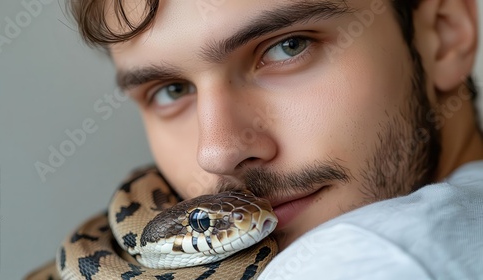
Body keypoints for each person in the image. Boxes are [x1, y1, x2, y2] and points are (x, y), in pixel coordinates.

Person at [65, 0, 483, 278]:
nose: (218, 152)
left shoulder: (360, 257)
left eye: (287, 46)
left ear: (444, 36)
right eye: (172, 90)